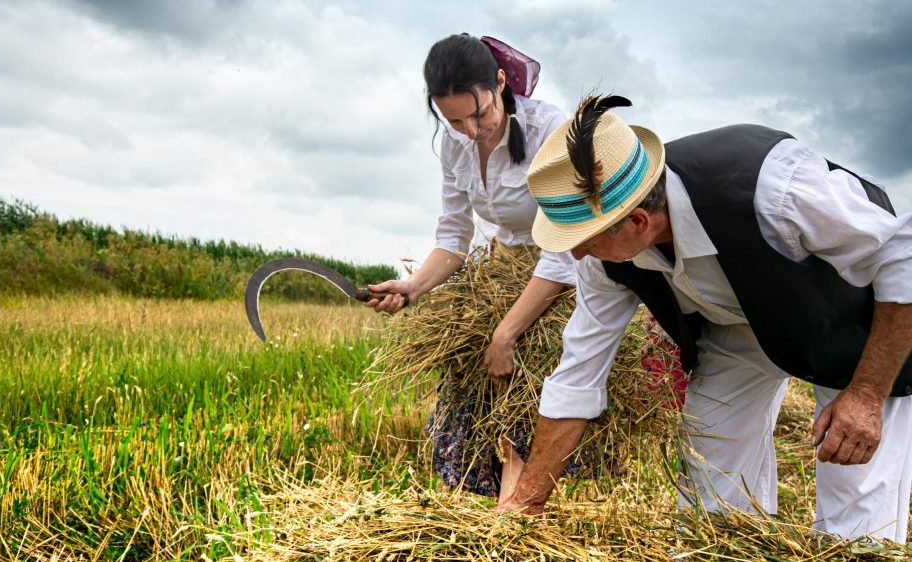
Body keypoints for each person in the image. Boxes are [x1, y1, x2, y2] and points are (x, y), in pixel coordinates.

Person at [498, 94, 912, 543]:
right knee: (712, 487)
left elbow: (903, 258)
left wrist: (868, 393)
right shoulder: (604, 261)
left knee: (854, 511)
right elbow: (577, 377)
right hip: (737, 329)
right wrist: (528, 503)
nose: (575, 252)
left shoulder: (772, 184)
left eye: (584, 239)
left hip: (851, 322)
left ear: (638, 222)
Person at [365, 34, 577, 503]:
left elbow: (562, 253)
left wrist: (506, 334)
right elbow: (453, 238)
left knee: (524, 396)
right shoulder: (454, 145)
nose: (467, 130)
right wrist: (413, 286)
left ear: (500, 82)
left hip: (560, 279)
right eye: (453, 119)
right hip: (498, 277)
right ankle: (506, 517)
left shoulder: (549, 131)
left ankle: (515, 516)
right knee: (485, 403)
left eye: (476, 113)